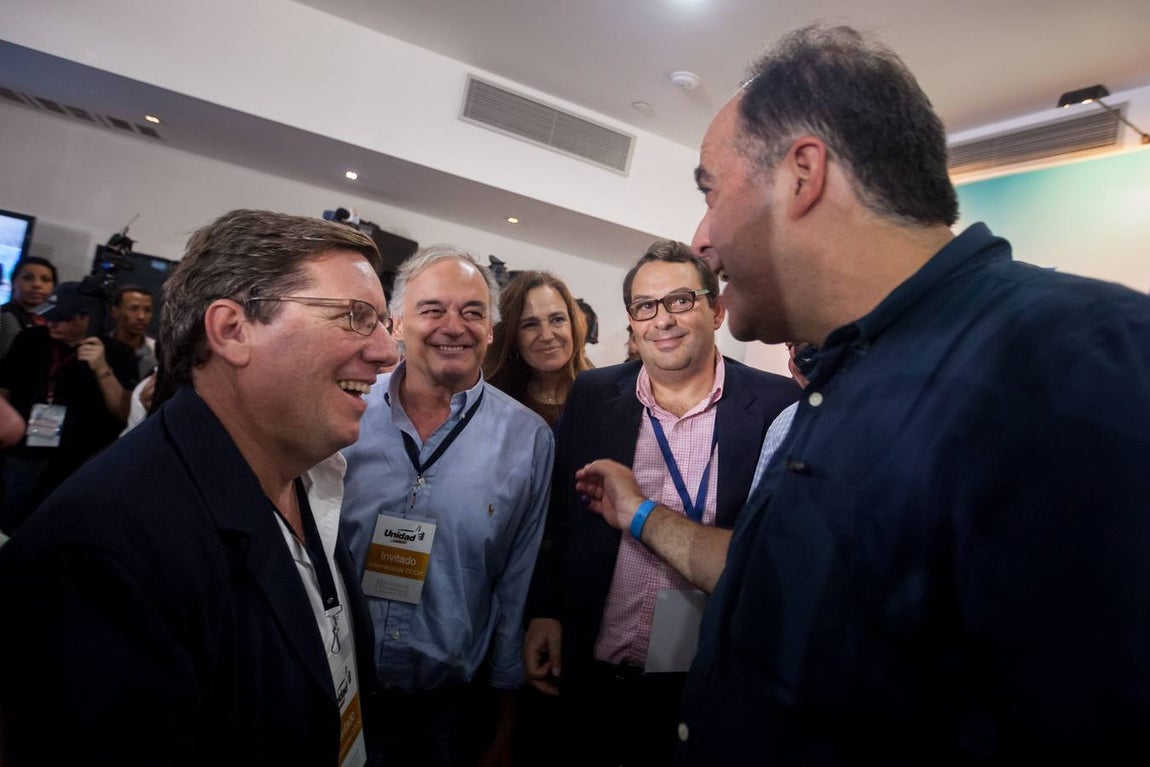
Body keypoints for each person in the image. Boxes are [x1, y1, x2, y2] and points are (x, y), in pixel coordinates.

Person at [574, 25, 1150, 765]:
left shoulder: (1089, 363)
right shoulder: (839, 378)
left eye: (711, 194)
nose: (703, 237)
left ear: (802, 173)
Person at [0, 209, 399, 766]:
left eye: (384, 323)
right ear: (232, 330)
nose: (387, 353)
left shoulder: (308, 474)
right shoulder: (103, 550)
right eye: (356, 317)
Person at [523, 241, 798, 766]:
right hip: (595, 674)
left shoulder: (776, 405)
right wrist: (545, 611)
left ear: (715, 311)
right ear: (631, 320)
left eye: (680, 301)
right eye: (645, 306)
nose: (662, 320)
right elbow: (557, 518)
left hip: (707, 685)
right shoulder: (592, 394)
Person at [341, 246, 554, 767]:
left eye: (473, 312)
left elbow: (515, 586)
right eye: (433, 309)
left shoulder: (528, 440)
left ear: (490, 331)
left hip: (449, 716)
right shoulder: (344, 416)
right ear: (396, 323)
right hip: (338, 694)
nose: (453, 326)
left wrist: (504, 726)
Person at [0, 281, 137, 530]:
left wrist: (102, 369)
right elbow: (5, 389)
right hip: (21, 457)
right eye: (48, 316)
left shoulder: (119, 354)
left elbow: (123, 413)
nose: (51, 323)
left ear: (87, 319)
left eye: (61, 319)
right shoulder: (29, 339)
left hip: (76, 467)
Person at [483, 270, 593, 425]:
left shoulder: (602, 394)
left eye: (557, 319)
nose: (547, 336)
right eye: (530, 324)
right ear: (513, 336)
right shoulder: (493, 399)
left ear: (573, 325)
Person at [0, 255, 57, 360]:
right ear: (13, 282)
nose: (37, 285)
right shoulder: (5, 318)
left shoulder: (54, 322)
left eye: (45, 280)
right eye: (27, 278)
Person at [109, 283, 158, 379]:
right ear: (115, 311)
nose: (141, 316)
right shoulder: (99, 349)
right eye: (133, 309)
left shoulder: (158, 353)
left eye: (147, 310)